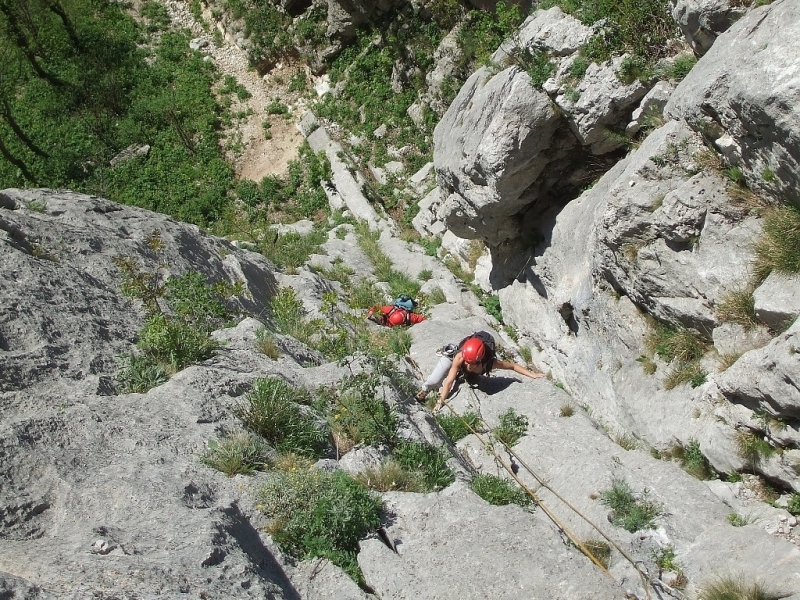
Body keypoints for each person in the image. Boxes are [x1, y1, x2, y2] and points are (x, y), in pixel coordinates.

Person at [416, 331, 544, 412]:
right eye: (467, 362)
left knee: (471, 378)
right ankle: (425, 389)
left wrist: (532, 375)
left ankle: (465, 375)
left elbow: (513, 366)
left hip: (474, 369)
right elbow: (449, 382)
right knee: (434, 379)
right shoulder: (460, 357)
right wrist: (441, 402)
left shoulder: (490, 363)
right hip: (454, 360)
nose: (468, 365)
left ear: (480, 361)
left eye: (472, 364)